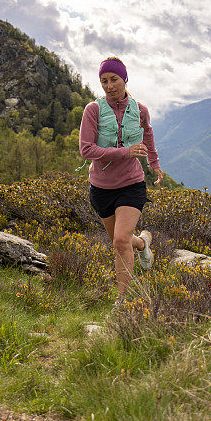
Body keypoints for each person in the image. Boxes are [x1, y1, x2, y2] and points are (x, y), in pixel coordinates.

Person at [79, 56, 164, 308]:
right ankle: (143, 243)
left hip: (131, 184)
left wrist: (155, 163)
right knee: (123, 242)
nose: (108, 85)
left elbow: (147, 135)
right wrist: (124, 152)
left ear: (124, 79)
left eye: (113, 79)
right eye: (103, 81)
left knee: (119, 240)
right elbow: (86, 150)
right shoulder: (93, 110)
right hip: (101, 189)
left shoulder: (140, 110)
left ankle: (122, 300)